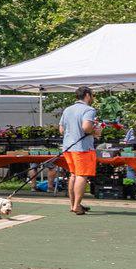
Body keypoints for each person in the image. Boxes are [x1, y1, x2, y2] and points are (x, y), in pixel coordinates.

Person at [58, 87, 100, 217]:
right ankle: (77, 206)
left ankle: (73, 205)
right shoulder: (89, 110)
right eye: (92, 95)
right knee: (82, 175)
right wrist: (95, 131)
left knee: (73, 175)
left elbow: (61, 130)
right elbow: (86, 128)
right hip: (82, 148)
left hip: (68, 148)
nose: (93, 98)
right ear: (87, 95)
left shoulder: (67, 109)